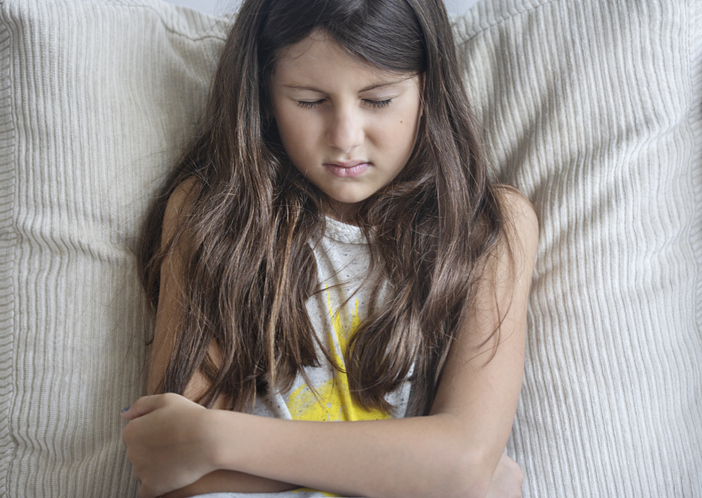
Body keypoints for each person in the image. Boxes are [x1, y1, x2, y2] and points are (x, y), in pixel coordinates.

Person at [121, 0, 539, 497]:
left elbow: (463, 461)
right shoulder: (216, 212)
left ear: (430, 89)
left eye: (379, 100)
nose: (345, 138)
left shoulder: (487, 227)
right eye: (309, 100)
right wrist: (426, 469)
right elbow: (168, 463)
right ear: (264, 96)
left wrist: (216, 437)